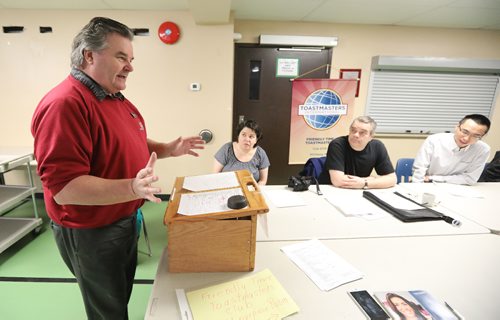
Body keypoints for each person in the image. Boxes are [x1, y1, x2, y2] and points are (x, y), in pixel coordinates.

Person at [31, 17, 204, 320]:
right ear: (89, 56)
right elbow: (65, 188)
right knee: (107, 311)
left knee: (120, 296)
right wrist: (131, 188)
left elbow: (126, 142)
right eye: (121, 57)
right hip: (92, 232)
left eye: (131, 59)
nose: (130, 66)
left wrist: (167, 149)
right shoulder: (66, 104)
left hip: (124, 218)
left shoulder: (113, 97)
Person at [318, 115, 396, 189]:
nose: (356, 135)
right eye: (353, 130)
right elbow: (338, 181)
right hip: (331, 189)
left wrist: (364, 183)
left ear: (371, 136)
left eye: (362, 132)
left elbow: (392, 179)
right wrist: (371, 179)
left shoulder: (377, 146)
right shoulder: (337, 144)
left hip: (359, 191)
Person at [412, 114, 491, 185]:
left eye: (476, 136)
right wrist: (418, 189)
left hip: (457, 187)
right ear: (457, 127)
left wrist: (434, 178)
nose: (466, 139)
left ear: (482, 136)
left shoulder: (483, 150)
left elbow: (470, 179)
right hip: (428, 184)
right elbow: (419, 171)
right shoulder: (434, 140)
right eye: (465, 132)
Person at [214, 119, 270, 185]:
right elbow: (215, 176)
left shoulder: (261, 153)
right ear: (238, 136)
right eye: (243, 135)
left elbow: (263, 180)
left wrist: (255, 191)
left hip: (250, 191)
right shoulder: (227, 149)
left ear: (256, 140)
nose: (247, 139)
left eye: (251, 136)